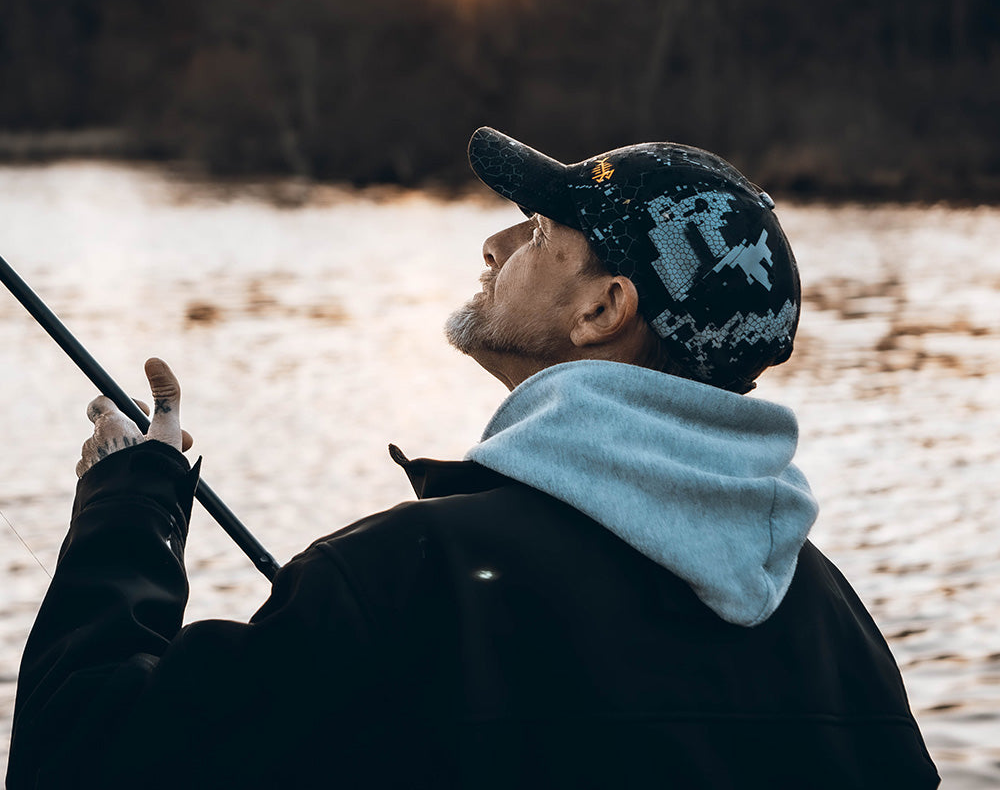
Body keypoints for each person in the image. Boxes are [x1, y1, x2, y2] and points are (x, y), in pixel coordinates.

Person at [7, 128, 939, 789]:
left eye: (537, 234)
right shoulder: (835, 625)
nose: (493, 246)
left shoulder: (403, 579)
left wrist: (128, 506)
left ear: (603, 309)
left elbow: (79, 759)